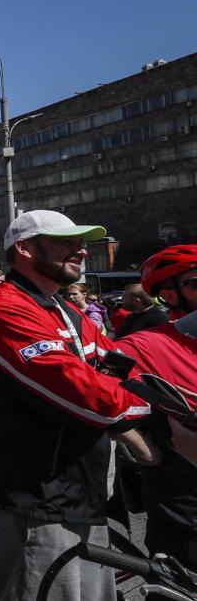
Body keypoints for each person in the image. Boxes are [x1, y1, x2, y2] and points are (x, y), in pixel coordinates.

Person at [0, 210, 157, 601]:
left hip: (78, 486)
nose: (81, 251)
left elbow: (114, 362)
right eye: (67, 242)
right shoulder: (5, 307)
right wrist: (143, 412)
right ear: (24, 248)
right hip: (36, 495)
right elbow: (76, 388)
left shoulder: (64, 310)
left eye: (81, 243)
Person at [115, 244, 197, 574]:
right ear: (168, 293)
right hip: (186, 502)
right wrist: (137, 443)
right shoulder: (145, 345)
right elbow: (85, 390)